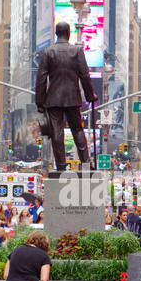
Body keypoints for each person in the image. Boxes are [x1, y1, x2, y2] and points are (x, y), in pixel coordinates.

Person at [35, 21, 97, 171]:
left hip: (53, 99)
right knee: (77, 130)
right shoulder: (77, 51)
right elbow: (85, 76)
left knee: (57, 131)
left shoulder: (48, 52)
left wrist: (40, 102)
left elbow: (41, 79)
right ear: (69, 33)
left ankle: (61, 167)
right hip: (72, 98)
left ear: (56, 34)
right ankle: (86, 164)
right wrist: (90, 95)